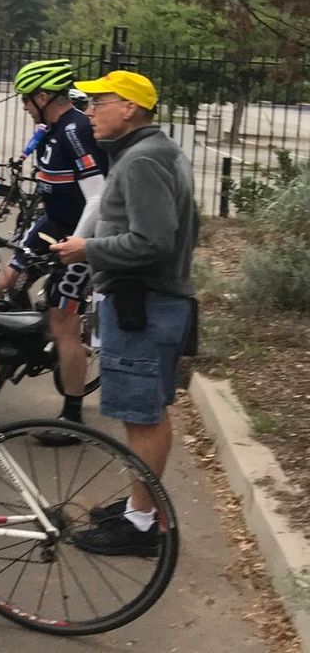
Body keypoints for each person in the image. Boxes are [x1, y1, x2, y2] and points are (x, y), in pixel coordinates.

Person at [50, 71, 198, 556]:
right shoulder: (155, 151)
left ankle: (139, 525)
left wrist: (87, 249)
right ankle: (142, 507)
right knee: (147, 412)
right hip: (153, 303)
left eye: (100, 102)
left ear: (129, 108)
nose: (89, 111)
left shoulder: (142, 160)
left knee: (141, 416)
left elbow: (153, 241)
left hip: (143, 306)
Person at [0, 58, 105, 443]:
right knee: (6, 281)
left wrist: (75, 245)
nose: (23, 106)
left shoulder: (76, 130)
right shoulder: (50, 132)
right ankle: (44, 344)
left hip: (82, 236)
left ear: (43, 97)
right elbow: (52, 196)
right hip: (53, 224)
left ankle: (73, 418)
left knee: (63, 322)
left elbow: (98, 198)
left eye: (26, 98)